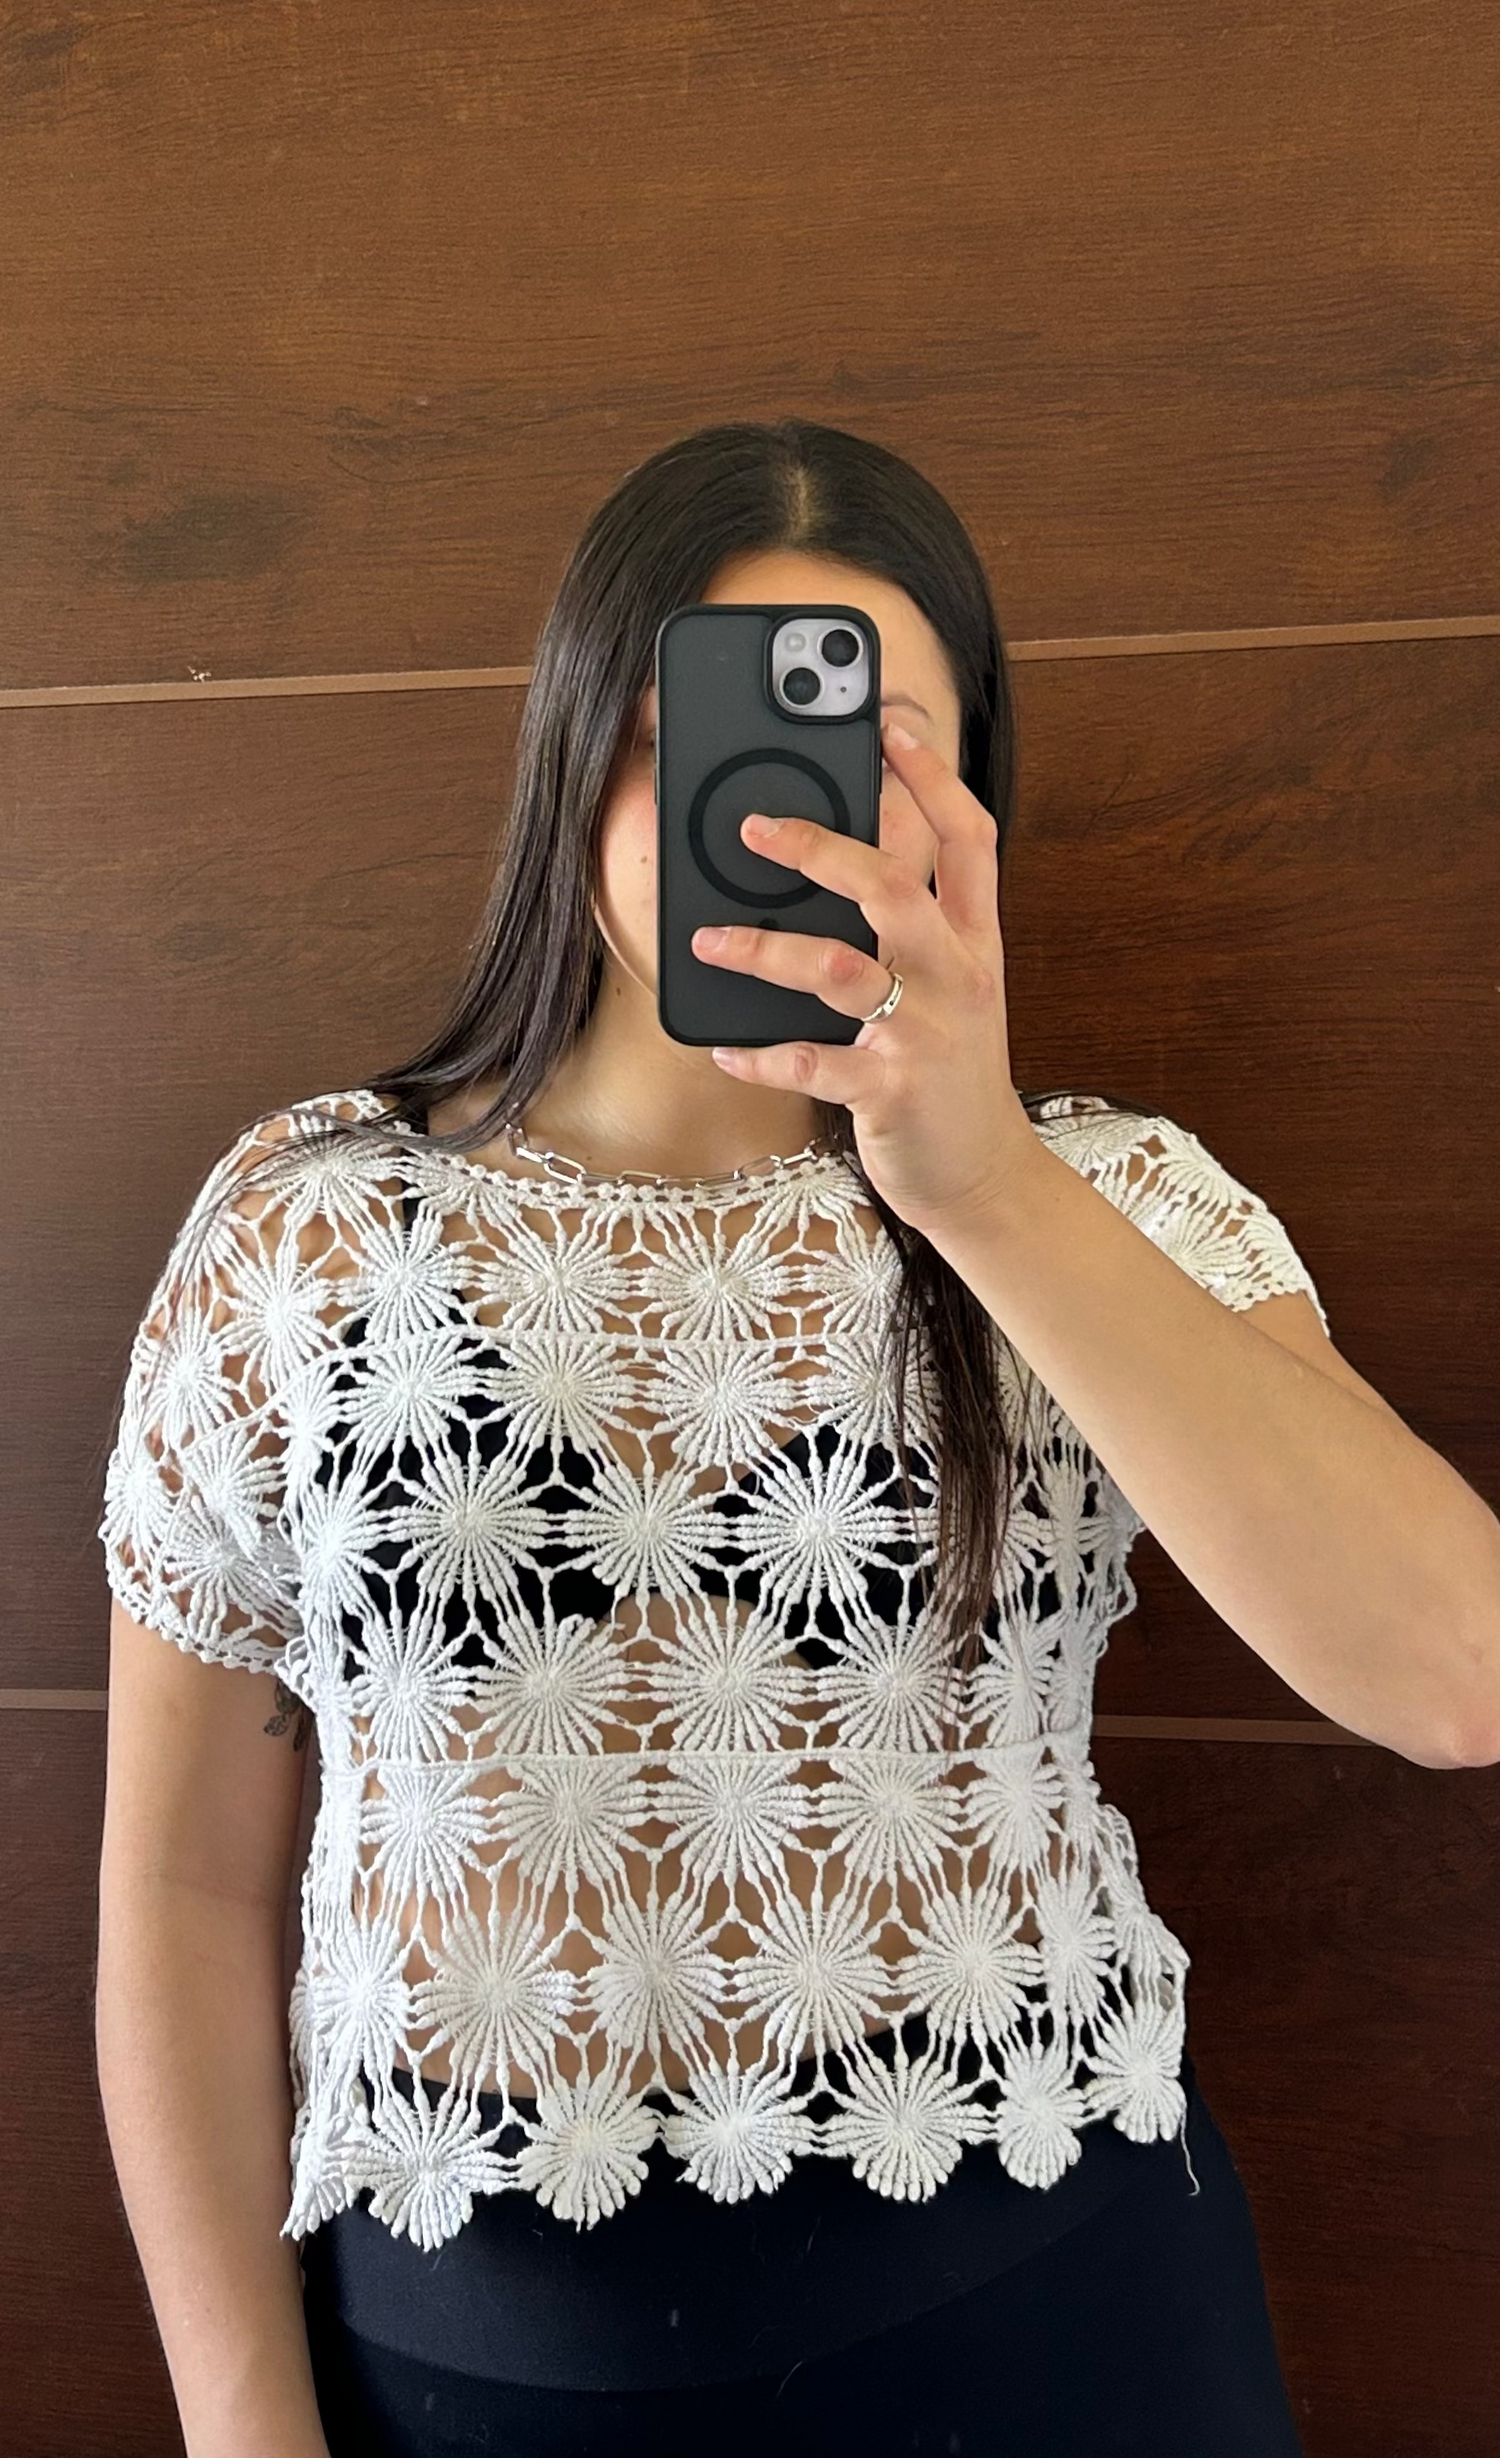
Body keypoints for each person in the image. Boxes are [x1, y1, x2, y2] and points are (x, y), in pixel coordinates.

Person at [96, 418, 1500, 2458]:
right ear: (573, 751)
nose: (762, 808)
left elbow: (1458, 1672)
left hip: (1059, 2334)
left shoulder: (1108, 1202)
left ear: (967, 804)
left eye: (859, 752)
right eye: (688, 735)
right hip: (465, 2378)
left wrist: (982, 1181)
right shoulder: (309, 1233)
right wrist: (241, 2429)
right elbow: (183, 1893)